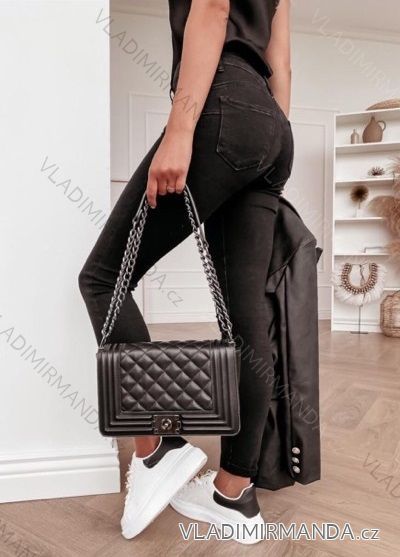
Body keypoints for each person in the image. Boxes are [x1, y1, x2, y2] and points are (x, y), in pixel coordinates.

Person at [79, 0, 293, 545]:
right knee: (245, 318)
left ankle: (158, 448)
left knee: (102, 278)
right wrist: (270, 135)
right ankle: (234, 494)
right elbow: (282, 62)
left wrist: (180, 129)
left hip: (222, 105)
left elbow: (213, 8)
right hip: (273, 125)